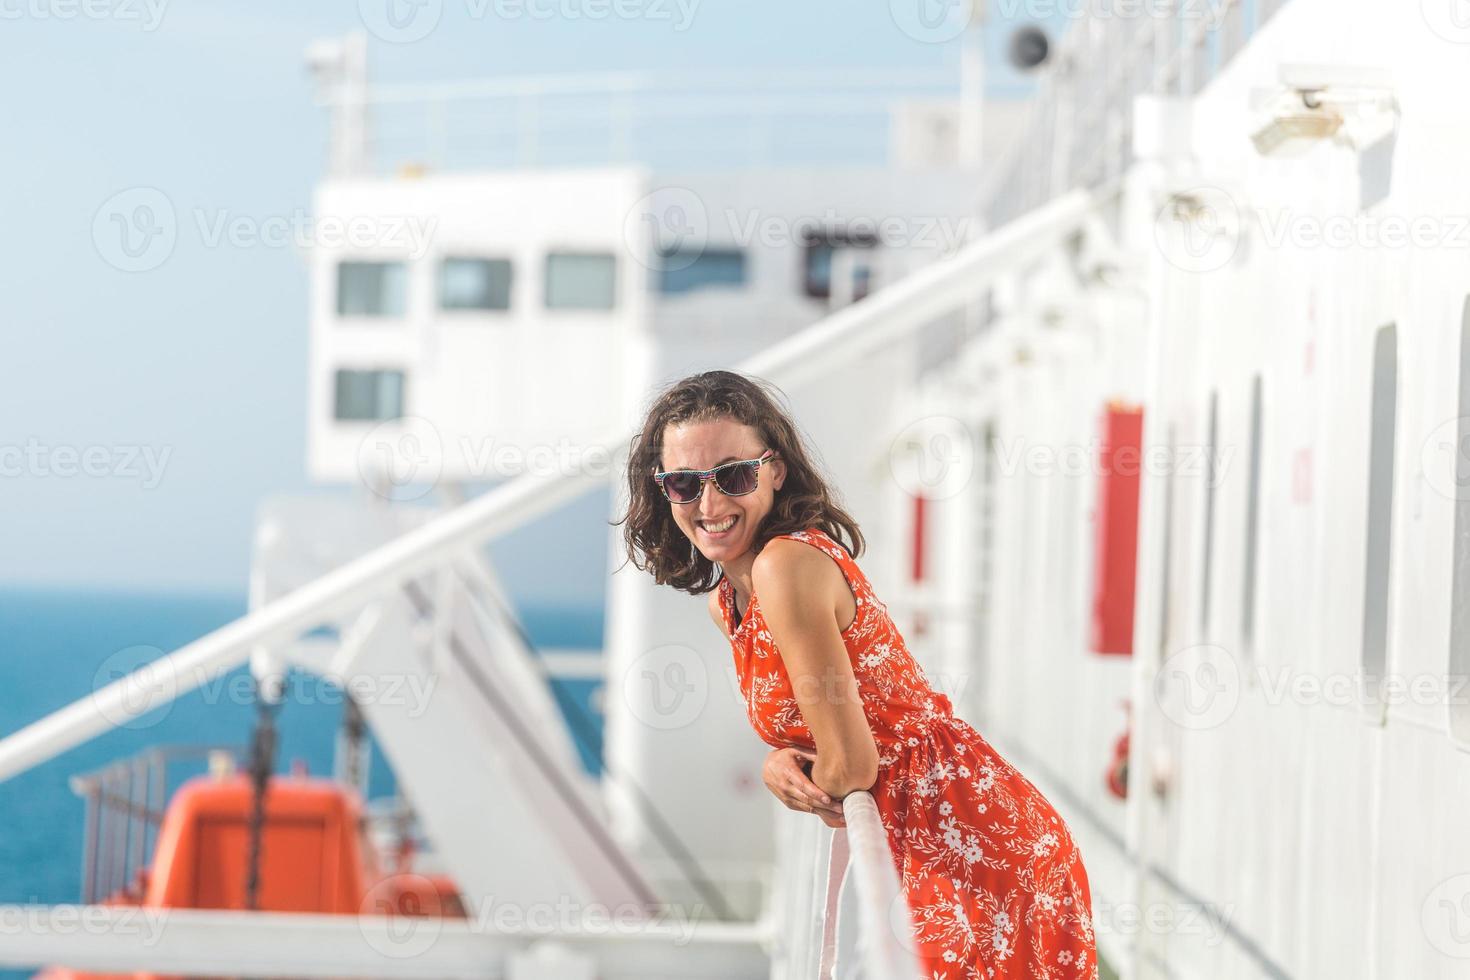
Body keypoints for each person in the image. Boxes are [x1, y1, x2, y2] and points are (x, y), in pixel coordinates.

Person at [618, 369, 1098, 979]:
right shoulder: (729, 603)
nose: (709, 504)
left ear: (775, 471)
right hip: (928, 838)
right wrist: (782, 760)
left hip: (970, 845)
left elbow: (851, 765)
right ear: (663, 490)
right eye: (684, 483)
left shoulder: (785, 566)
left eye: (732, 476)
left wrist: (783, 771)